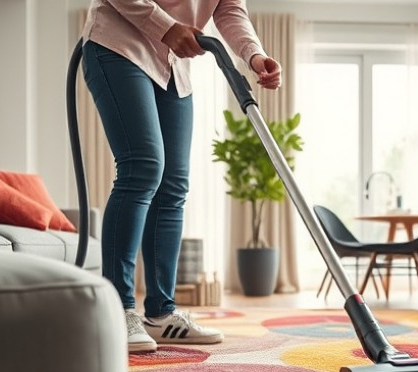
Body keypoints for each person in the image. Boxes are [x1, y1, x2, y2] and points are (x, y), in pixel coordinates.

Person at [80, 0, 281, 352]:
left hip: (173, 66)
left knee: (172, 186)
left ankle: (161, 313)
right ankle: (118, 309)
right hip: (119, 46)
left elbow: (230, 9)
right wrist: (166, 26)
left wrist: (254, 55)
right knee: (142, 168)